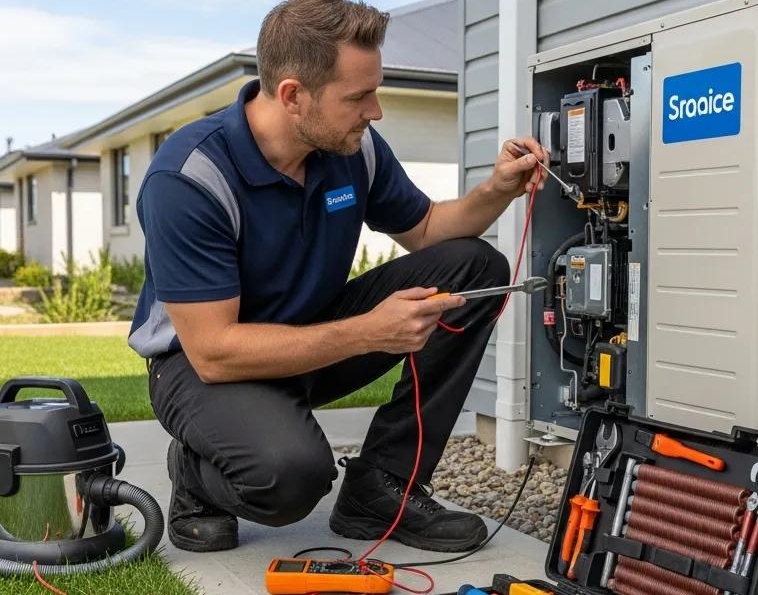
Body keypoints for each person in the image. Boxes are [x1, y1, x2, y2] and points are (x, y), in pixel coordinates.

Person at [130, 0, 548, 553]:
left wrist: (497, 188)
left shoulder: (353, 149)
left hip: (311, 335)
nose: (375, 111)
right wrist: (372, 331)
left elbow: (425, 228)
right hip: (202, 368)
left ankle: (382, 486)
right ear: (292, 95)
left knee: (472, 266)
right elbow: (212, 350)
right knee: (293, 478)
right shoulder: (191, 178)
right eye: (358, 97)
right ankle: (196, 472)